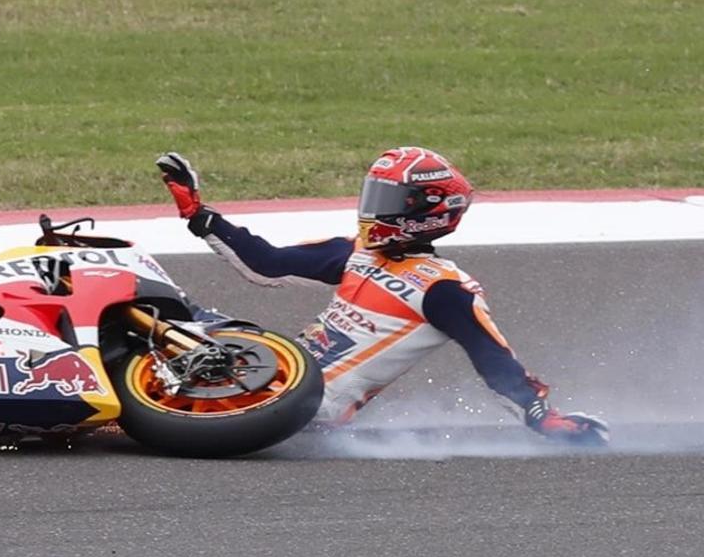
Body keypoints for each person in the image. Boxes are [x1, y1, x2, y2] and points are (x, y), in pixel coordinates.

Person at [156, 148, 609, 444]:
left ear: (427, 210)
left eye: (391, 197)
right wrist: (199, 215)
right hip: (271, 369)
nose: (375, 207)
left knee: (182, 345)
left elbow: (495, 360)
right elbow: (267, 264)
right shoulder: (356, 253)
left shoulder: (445, 289)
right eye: (376, 194)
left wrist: (542, 417)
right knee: (172, 310)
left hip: (308, 409)